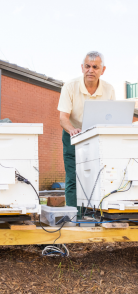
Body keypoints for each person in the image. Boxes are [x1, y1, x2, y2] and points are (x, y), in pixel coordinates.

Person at [57, 51, 116, 213]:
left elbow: (111, 118)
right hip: (72, 135)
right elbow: (63, 118)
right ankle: (73, 215)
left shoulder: (109, 89)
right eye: (87, 66)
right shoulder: (70, 86)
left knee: (98, 176)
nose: (91, 70)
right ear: (82, 68)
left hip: (97, 138)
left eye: (95, 67)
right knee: (73, 178)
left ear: (102, 70)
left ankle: (95, 213)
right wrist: (72, 130)